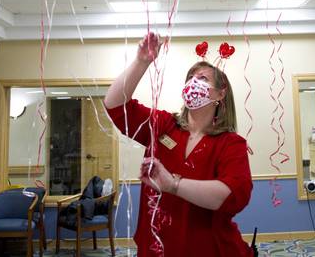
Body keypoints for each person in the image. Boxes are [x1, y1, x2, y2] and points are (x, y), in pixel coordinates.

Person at [104, 32, 253, 257]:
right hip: (156, 247)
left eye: (202, 79)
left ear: (220, 94)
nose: (194, 83)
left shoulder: (230, 143)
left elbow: (230, 195)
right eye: (190, 78)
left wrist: (173, 184)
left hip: (209, 249)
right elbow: (115, 106)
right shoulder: (164, 125)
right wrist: (142, 61)